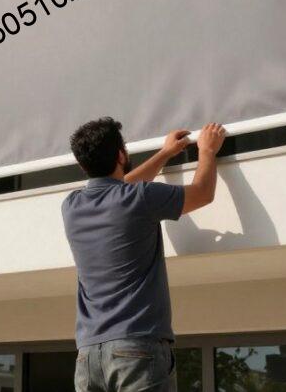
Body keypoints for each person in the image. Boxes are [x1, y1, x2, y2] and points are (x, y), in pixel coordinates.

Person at [63, 117, 226, 392]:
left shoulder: (72, 206)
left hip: (88, 355)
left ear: (82, 165)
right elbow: (202, 194)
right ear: (121, 154)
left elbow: (121, 186)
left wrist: (164, 154)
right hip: (136, 348)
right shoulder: (139, 199)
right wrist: (207, 150)